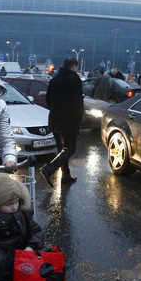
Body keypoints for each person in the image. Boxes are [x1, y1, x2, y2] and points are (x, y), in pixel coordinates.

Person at [40, 57, 83, 187]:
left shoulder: (54, 80)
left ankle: (66, 176)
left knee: (62, 149)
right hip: (69, 120)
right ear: (74, 66)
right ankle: (48, 169)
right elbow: (77, 102)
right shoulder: (75, 79)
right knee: (69, 149)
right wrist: (79, 117)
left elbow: (48, 100)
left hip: (54, 119)